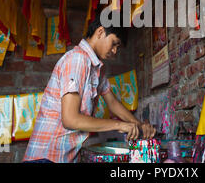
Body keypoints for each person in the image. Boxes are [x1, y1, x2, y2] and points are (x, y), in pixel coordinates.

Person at [23, 14, 156, 163]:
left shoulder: (97, 69)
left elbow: (112, 103)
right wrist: (120, 125)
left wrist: (139, 126)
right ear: (100, 32)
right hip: (45, 157)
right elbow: (70, 119)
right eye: (114, 43)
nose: (114, 51)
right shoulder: (77, 59)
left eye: (117, 47)